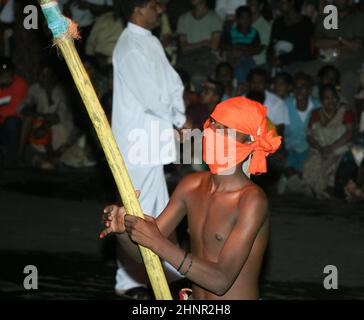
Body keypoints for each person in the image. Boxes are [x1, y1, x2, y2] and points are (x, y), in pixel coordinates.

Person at [100, 97, 282, 300]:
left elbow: (221, 281)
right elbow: (144, 253)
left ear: (248, 142)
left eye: (226, 128)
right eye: (213, 122)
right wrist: (125, 231)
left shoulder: (252, 201)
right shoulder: (191, 186)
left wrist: (158, 242)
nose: (214, 131)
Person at [111, 0, 187, 299]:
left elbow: (172, 84)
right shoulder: (129, 46)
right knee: (134, 214)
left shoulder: (150, 41)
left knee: (156, 215)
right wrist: (180, 121)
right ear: (137, 8)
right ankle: (129, 282)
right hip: (136, 145)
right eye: (155, 5)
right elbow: (151, 97)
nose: (161, 10)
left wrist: (179, 116)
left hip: (152, 144)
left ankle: (168, 275)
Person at [301, 84, 356, 199]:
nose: (330, 101)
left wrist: (331, 148)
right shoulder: (316, 114)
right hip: (320, 149)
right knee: (311, 164)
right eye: (326, 98)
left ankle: (326, 190)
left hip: (339, 150)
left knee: (330, 167)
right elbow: (309, 135)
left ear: (337, 98)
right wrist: (320, 148)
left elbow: (350, 134)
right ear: (321, 100)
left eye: (333, 97)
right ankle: (310, 188)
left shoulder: (345, 112)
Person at [176, 0, 223, 89]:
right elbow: (183, 48)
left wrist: (192, 46)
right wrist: (204, 43)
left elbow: (214, 46)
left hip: (206, 59)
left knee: (198, 78)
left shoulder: (215, 18)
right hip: (187, 58)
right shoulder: (183, 18)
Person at [283, 72, 320, 178]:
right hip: (289, 149)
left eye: (303, 87)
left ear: (309, 89)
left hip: (311, 150)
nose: (299, 91)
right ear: (292, 89)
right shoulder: (285, 105)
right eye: (296, 87)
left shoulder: (318, 106)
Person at [267, 0, 314, 73]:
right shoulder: (277, 23)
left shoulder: (305, 23)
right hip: (277, 59)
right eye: (279, 3)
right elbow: (271, 45)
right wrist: (270, 57)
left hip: (297, 62)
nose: (280, 5)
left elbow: (305, 51)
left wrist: (283, 60)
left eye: (283, 2)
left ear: (292, 2)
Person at [0, 56, 27, 165]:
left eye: (8, 72)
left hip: (15, 129)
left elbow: (16, 110)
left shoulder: (19, 83)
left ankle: (12, 157)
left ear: (13, 72)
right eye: (2, 72)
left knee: (12, 121)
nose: (5, 75)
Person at [247, 68, 289, 136]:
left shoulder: (278, 103)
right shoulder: (241, 100)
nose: (256, 85)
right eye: (253, 82)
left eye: (260, 82)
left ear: (266, 84)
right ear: (249, 84)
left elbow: (279, 132)